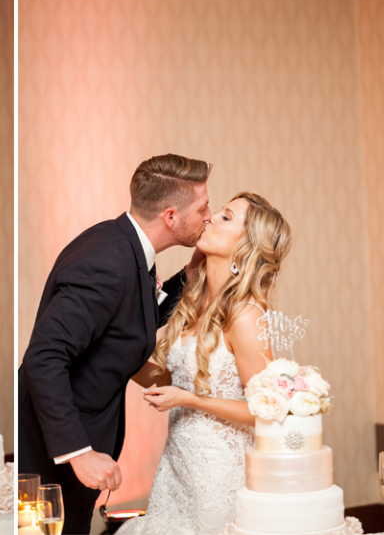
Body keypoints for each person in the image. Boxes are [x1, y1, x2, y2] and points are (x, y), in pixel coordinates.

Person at [16, 154, 213, 535]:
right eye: (202, 208)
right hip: (48, 457)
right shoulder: (108, 261)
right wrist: (78, 453)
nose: (209, 216)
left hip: (74, 448)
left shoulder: (125, 245)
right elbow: (44, 356)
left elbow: (126, 320)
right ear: (171, 216)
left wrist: (188, 276)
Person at [117, 192, 292, 535]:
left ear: (245, 246)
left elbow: (267, 411)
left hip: (219, 474)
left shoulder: (245, 315)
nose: (210, 218)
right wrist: (117, 357)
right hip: (177, 469)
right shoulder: (192, 303)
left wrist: (189, 400)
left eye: (226, 217)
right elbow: (176, 380)